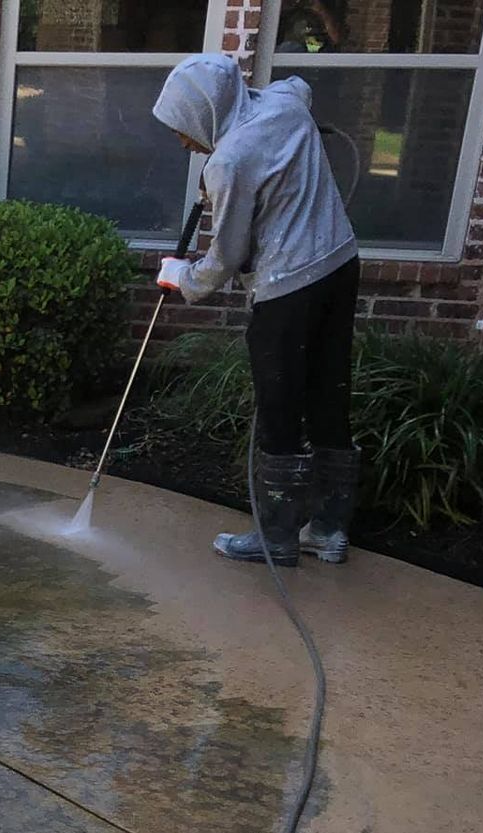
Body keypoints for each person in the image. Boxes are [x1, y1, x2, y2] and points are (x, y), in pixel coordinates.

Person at [151, 53, 360, 566]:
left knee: (279, 404)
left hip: (288, 288)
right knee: (328, 393)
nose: (183, 142)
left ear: (207, 112)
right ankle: (328, 531)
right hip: (339, 265)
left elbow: (227, 257)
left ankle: (278, 539)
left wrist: (183, 277)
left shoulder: (229, 162)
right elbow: (300, 84)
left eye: (183, 128)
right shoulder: (286, 104)